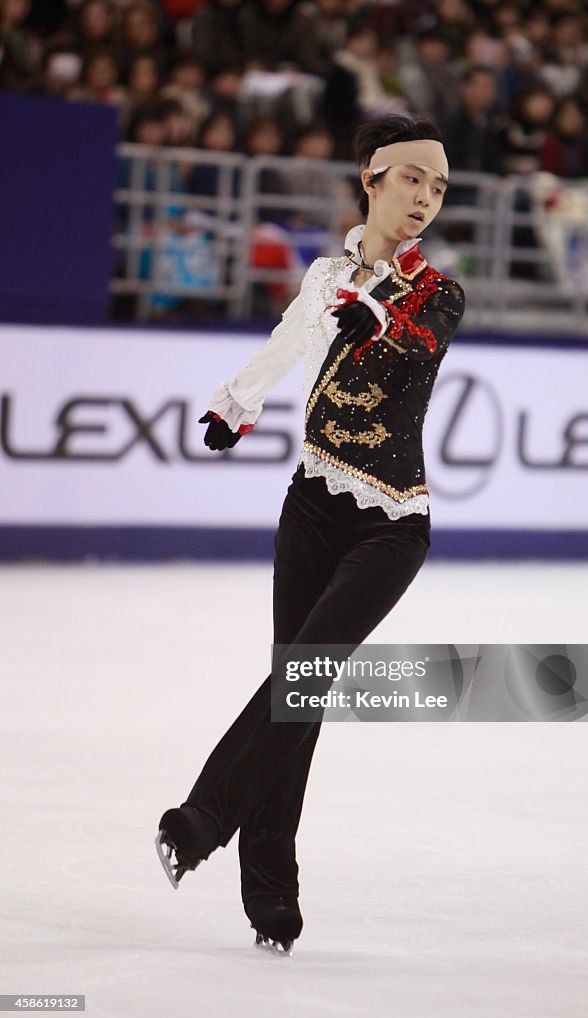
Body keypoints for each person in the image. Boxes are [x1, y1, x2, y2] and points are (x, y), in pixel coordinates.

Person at [155, 114, 465, 956]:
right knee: (297, 696)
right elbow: (291, 340)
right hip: (311, 505)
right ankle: (271, 903)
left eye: (437, 188)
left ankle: (201, 819)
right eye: (411, 180)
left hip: (390, 524)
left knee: (303, 678)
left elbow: (418, 340)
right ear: (370, 177)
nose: (425, 200)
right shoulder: (326, 275)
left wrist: (379, 320)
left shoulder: (436, 293)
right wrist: (235, 401)